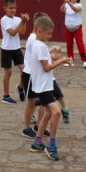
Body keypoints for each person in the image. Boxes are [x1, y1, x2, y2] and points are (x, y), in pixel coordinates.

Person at [27, 15, 72, 161]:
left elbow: (45, 62)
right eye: (48, 33)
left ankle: (37, 142)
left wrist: (56, 57)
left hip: (45, 85)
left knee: (47, 114)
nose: (50, 36)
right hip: (43, 87)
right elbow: (46, 67)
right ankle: (51, 145)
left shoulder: (38, 44)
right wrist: (61, 61)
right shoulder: (39, 46)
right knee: (57, 113)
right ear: (39, 30)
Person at [0, 0, 28, 104]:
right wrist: (22, 22)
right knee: (8, 72)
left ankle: (21, 87)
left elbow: (22, 32)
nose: (13, 10)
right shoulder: (3, 19)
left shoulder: (17, 19)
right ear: (5, 9)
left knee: (25, 71)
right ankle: (6, 96)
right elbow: (12, 33)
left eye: (15, 8)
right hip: (6, 49)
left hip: (16, 48)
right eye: (11, 8)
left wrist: (24, 22)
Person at [60, 0, 86, 68]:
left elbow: (76, 10)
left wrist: (68, 2)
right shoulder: (67, 4)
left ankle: (85, 61)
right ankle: (70, 61)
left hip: (77, 27)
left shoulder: (79, 5)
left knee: (80, 44)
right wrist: (64, 2)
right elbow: (61, 10)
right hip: (68, 27)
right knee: (69, 45)